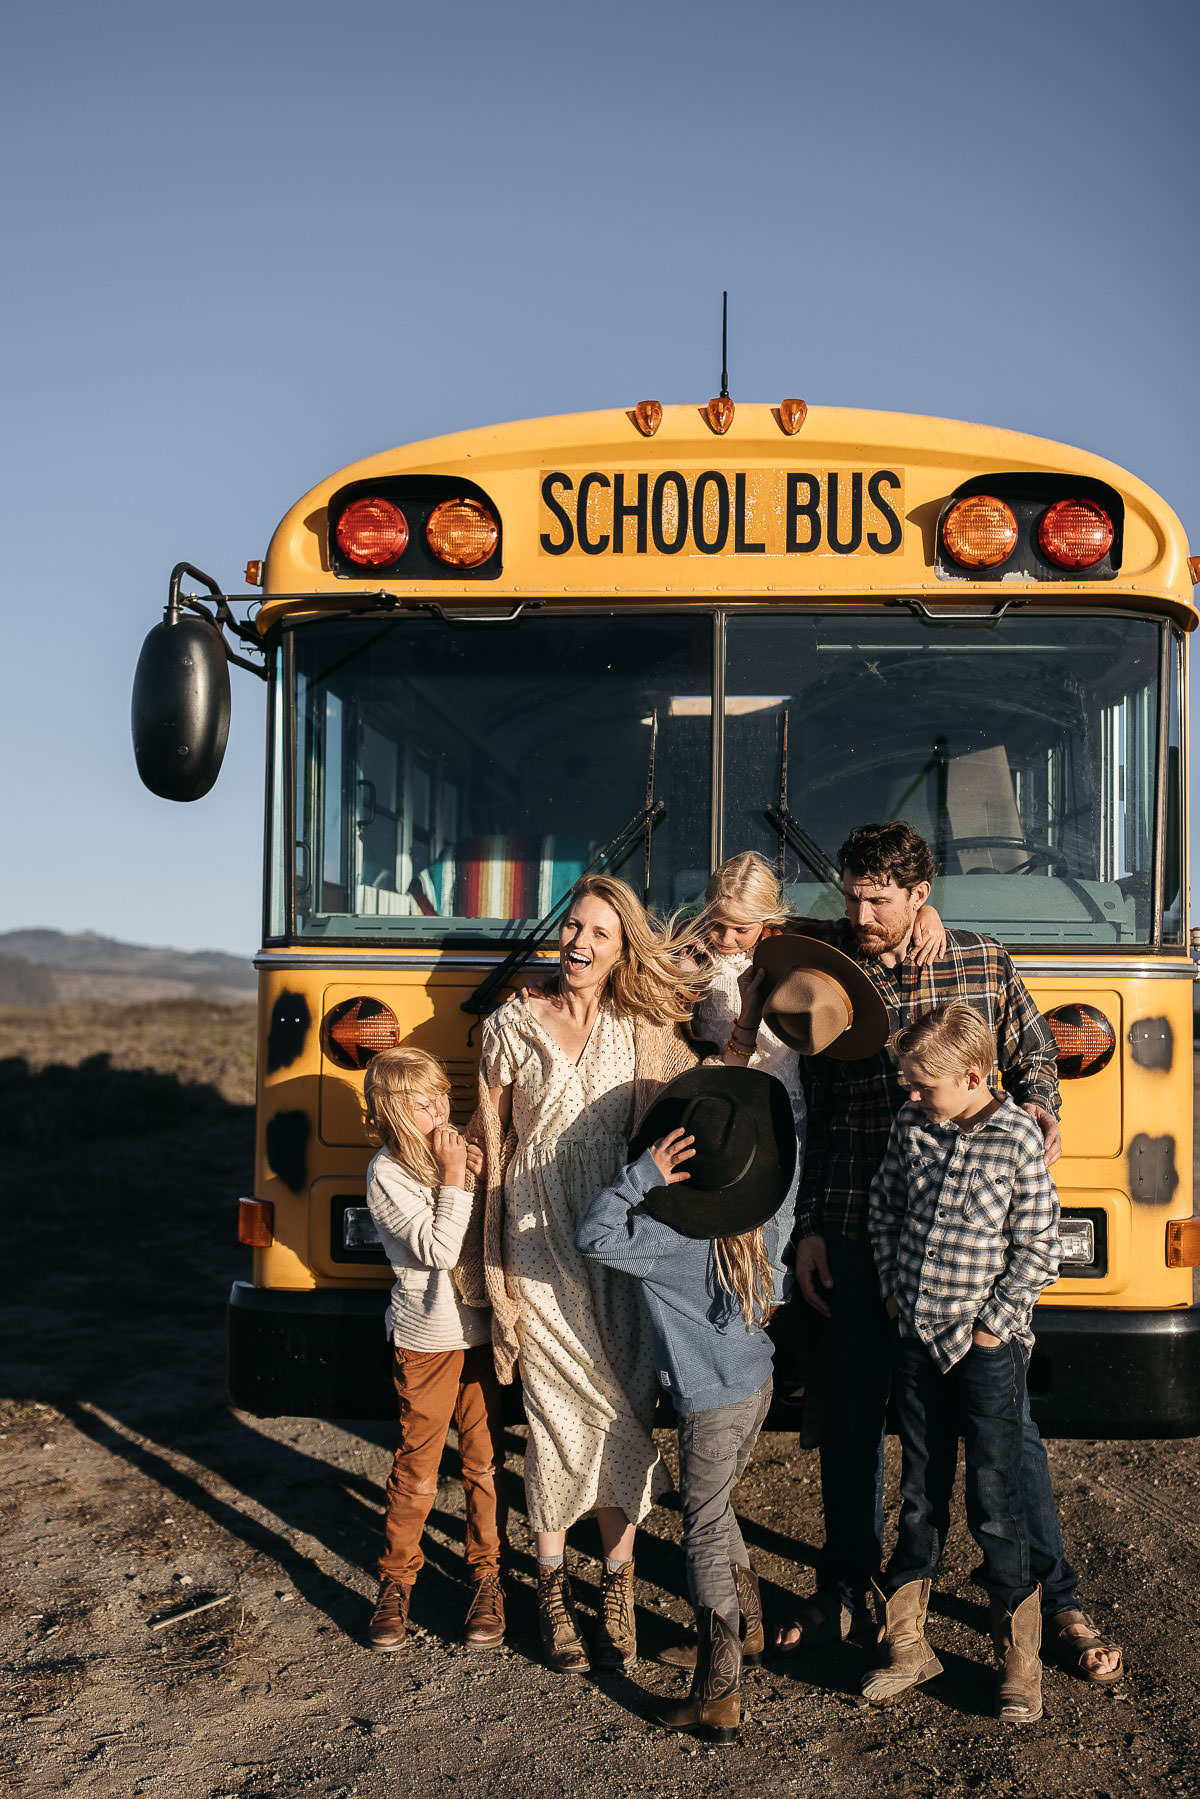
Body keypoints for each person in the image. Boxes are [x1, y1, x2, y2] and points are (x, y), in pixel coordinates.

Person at [760, 820, 1121, 1683]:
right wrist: (810, 1225)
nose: (858, 914)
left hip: (968, 1247)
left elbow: (1034, 1053)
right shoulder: (828, 971)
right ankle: (847, 1588)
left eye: (876, 899)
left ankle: (1055, 1597)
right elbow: (818, 1110)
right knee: (853, 1419)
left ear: (921, 895)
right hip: (859, 1224)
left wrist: (1036, 1109)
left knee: (1008, 1436)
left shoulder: (985, 962)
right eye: (849, 895)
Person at [458, 874, 705, 1674]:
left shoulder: (645, 1028)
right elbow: (485, 1128)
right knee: (556, 1417)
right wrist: (445, 1163)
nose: (579, 943)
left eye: (600, 932)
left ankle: (619, 1583)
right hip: (533, 1239)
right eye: (573, 926)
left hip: (617, 1239)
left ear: (622, 947)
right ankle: (553, 1588)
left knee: (624, 1410)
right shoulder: (509, 1024)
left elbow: (699, 1094)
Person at [575, 1065, 799, 1743]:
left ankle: (718, 1692)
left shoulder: (669, 1237)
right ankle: (750, 1628)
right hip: (755, 1381)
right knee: (716, 1504)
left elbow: (594, 1235)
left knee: (701, 1527)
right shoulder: (767, 1212)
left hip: (707, 1400)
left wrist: (643, 1174)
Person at [864, 1003, 1062, 1723]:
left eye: (925, 1085)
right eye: (910, 1084)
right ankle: (909, 1640)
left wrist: (992, 1328)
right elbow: (884, 1208)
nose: (913, 1095)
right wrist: (891, 1291)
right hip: (916, 1337)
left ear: (974, 1075)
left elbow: (1038, 1244)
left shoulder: (1016, 1138)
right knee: (920, 1489)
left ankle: (1020, 1657)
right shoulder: (912, 1126)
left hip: (986, 1351)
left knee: (995, 1494)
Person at [362, 1046, 507, 1654]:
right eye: (424, 1101)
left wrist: (477, 1173)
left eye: (443, 1094)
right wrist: (456, 1178)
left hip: (484, 1331)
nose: (441, 1107)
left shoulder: (451, 1155)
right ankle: (395, 1585)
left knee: (484, 1463)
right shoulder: (386, 1174)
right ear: (394, 1111)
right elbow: (442, 1249)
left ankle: (487, 1580)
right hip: (428, 1342)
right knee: (418, 1467)